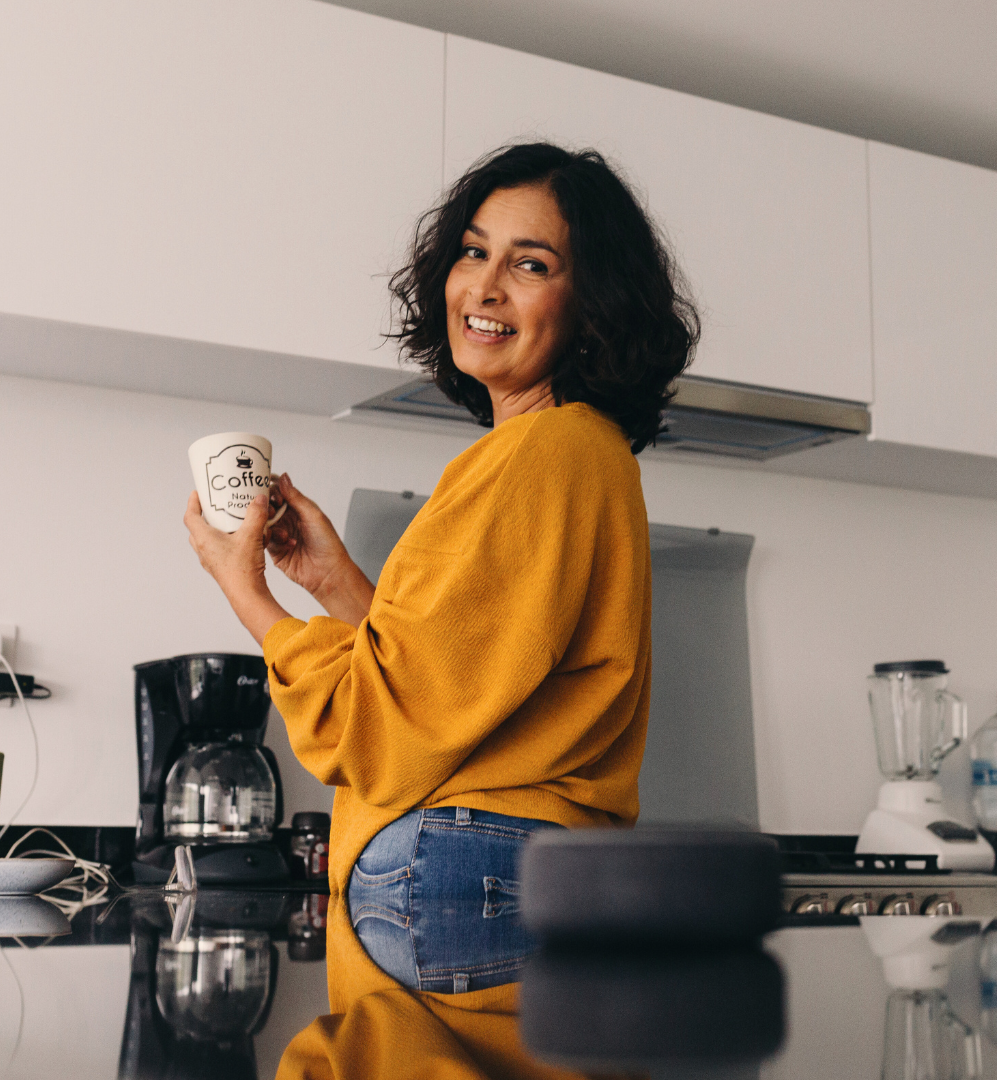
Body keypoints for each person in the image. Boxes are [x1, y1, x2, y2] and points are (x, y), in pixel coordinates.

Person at [184, 142, 699, 1003]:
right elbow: (457, 688)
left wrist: (246, 593)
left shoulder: (539, 454)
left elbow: (377, 732)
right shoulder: (582, 454)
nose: (485, 286)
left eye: (530, 264)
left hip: (458, 865)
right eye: (473, 250)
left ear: (592, 304)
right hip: (520, 864)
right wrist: (334, 579)